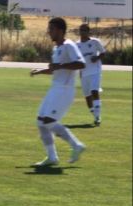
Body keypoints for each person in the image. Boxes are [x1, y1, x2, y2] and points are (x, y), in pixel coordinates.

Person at [30, 17, 87, 166]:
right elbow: (55, 69)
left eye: (52, 29)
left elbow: (81, 64)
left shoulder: (69, 45)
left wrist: (60, 65)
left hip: (65, 90)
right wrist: (41, 71)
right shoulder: (56, 48)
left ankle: (76, 145)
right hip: (55, 88)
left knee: (49, 121)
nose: (49, 32)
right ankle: (52, 157)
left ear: (60, 31)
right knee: (41, 121)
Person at [77, 24, 106, 126]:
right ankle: (95, 115)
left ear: (88, 32)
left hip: (95, 72)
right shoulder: (77, 45)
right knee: (87, 98)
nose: (82, 32)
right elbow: (77, 60)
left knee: (94, 92)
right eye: (81, 30)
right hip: (84, 73)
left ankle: (98, 117)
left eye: (85, 30)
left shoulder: (95, 42)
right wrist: (80, 72)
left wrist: (97, 58)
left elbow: (103, 52)